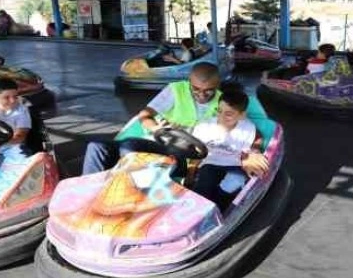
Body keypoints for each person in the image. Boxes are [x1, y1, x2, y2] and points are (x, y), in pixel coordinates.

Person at [81, 62, 269, 179]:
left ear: (217, 86)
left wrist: (252, 152)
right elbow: (144, 116)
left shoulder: (223, 102)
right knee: (96, 147)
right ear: (189, 82)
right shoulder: (175, 90)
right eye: (195, 89)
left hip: (185, 155)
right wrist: (156, 129)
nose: (201, 95)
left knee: (128, 148)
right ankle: (87, 193)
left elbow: (251, 130)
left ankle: (124, 199)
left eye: (208, 91)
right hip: (160, 141)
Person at [191, 87, 264, 211]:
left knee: (236, 181)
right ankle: (198, 210)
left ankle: (219, 207)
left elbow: (257, 137)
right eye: (219, 111)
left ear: (242, 115)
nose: (221, 117)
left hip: (234, 164)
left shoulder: (247, 127)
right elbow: (195, 151)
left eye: (229, 114)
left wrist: (254, 151)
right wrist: (190, 173)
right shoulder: (204, 126)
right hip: (211, 163)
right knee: (205, 180)